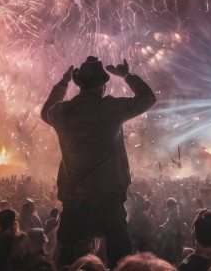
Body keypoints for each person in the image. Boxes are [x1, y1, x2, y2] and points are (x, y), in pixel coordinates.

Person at [41, 56, 156, 269]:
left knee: (67, 261)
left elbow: (45, 110)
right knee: (121, 261)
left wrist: (63, 82)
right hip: (109, 203)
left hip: (75, 204)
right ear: (103, 86)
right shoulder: (111, 108)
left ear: (79, 84)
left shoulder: (62, 113)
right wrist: (127, 76)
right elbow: (148, 98)